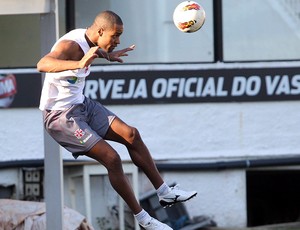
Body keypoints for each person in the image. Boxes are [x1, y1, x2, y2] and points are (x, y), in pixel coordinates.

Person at [37, 10, 197, 230]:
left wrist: (106, 55)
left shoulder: (89, 38)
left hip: (82, 104)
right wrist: (80, 63)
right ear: (101, 31)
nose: (118, 40)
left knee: (131, 134)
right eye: (115, 35)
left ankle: (165, 193)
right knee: (112, 158)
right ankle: (144, 220)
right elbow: (43, 64)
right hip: (60, 116)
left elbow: (92, 48)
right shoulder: (70, 45)